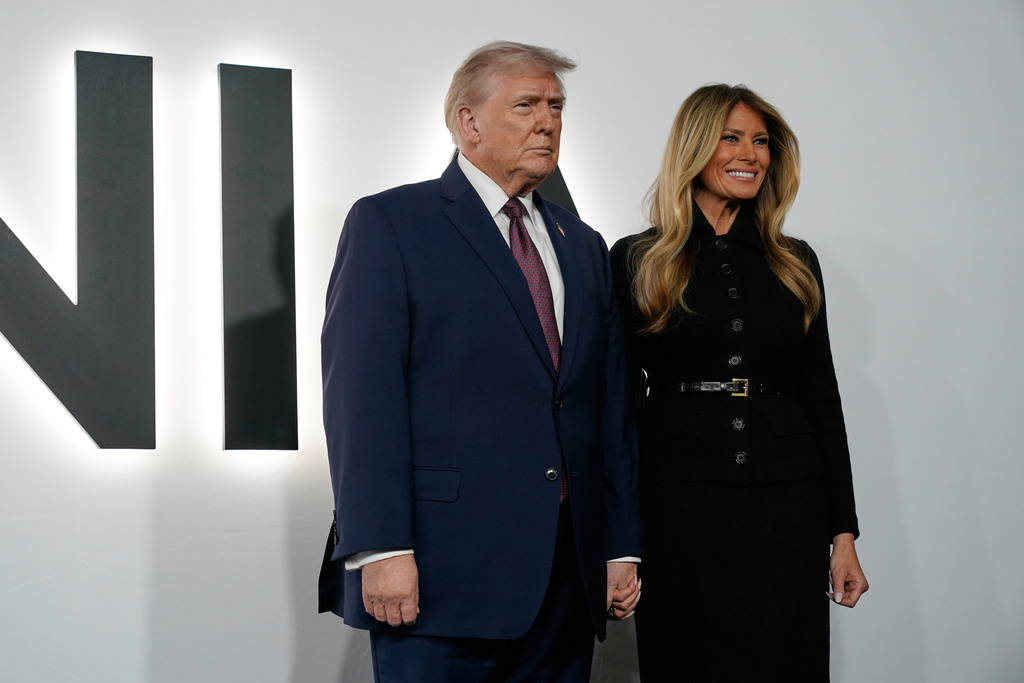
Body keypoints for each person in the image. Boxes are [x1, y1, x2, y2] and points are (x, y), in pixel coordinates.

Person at [318, 41, 643, 682]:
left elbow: (609, 405)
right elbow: (362, 398)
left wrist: (621, 543)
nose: (548, 121)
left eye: (556, 106)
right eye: (526, 105)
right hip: (441, 578)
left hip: (566, 580)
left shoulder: (582, 245)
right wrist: (380, 546)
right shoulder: (391, 222)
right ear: (467, 122)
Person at [610, 84, 868, 681]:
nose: (750, 153)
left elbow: (822, 399)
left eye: (760, 141)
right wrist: (617, 540)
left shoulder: (794, 259)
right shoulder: (637, 258)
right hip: (676, 506)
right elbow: (616, 406)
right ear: (695, 148)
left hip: (786, 505)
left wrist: (844, 532)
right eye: (731, 138)